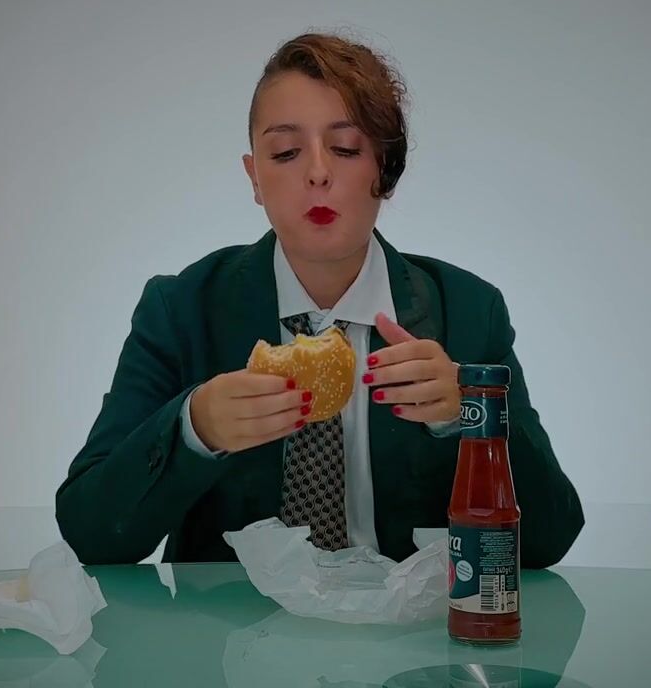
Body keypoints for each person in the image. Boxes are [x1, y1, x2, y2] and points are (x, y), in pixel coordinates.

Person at [56, 32, 583, 567]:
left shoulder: (469, 310)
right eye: (285, 152)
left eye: (346, 148)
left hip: (404, 619)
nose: (317, 172)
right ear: (254, 178)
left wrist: (468, 415)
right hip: (229, 617)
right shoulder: (180, 309)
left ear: (384, 168)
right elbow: (91, 532)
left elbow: (549, 539)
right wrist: (194, 428)